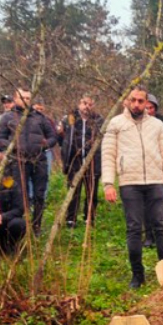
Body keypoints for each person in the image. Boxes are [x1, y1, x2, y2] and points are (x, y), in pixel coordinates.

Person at [102, 86, 163, 288]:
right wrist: (109, 183)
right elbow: (108, 155)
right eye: (133, 100)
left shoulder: (157, 125)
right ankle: (138, 274)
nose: (136, 104)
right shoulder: (116, 124)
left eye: (141, 101)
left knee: (161, 226)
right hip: (130, 183)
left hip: (156, 182)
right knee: (134, 228)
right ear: (126, 101)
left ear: (147, 103)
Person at [0, 87, 58, 236]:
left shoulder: (40, 117)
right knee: (19, 194)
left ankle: (36, 227)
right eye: (22, 98)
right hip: (17, 161)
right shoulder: (8, 117)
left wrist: (45, 145)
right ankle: (20, 226)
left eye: (28, 98)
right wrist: (11, 147)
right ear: (15, 99)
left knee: (39, 195)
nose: (25, 101)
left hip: (39, 160)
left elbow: (53, 136)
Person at [59, 94, 104, 228]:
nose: (86, 107)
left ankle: (89, 217)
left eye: (90, 104)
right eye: (84, 103)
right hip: (75, 161)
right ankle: (71, 218)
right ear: (79, 104)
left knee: (92, 192)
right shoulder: (70, 118)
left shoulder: (99, 120)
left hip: (92, 161)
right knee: (73, 191)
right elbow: (61, 140)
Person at [142, 93, 163, 247]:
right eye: (146, 107)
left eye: (151, 108)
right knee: (145, 202)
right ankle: (148, 235)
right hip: (143, 168)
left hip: (161, 167)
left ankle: (161, 233)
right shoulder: (137, 123)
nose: (148, 110)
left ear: (155, 108)